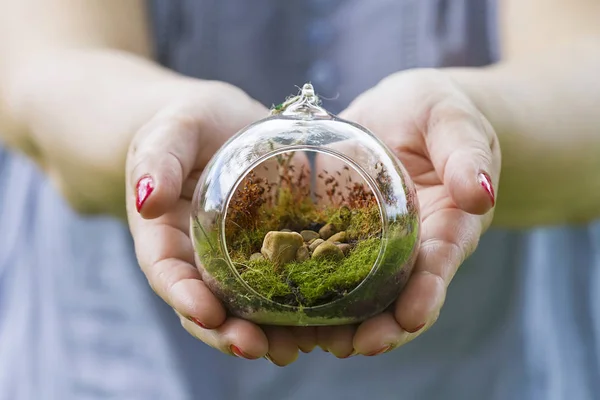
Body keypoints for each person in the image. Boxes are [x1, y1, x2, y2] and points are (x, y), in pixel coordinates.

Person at [1, 0, 599, 399]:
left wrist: (476, 121)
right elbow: (37, 67)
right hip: (114, 365)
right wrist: (157, 130)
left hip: (479, 370)